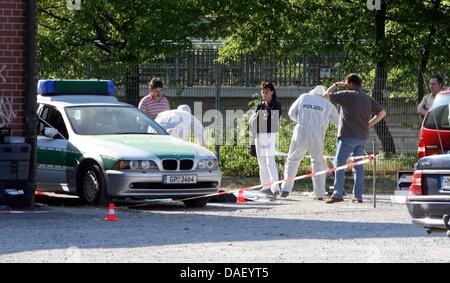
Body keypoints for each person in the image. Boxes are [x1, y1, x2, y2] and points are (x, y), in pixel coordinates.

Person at [322, 74, 386, 204]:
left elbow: (326, 96)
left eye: (346, 83)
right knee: (358, 167)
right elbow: (382, 113)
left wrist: (335, 85)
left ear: (350, 84)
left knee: (339, 164)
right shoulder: (368, 98)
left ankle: (338, 194)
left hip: (347, 136)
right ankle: (358, 196)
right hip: (362, 137)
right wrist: (369, 124)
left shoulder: (347, 94)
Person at [281, 86, 339, 200]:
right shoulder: (327, 104)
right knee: (318, 163)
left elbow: (291, 113)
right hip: (317, 133)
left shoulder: (304, 97)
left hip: (301, 131)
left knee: (293, 160)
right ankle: (319, 194)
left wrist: (302, 121)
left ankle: (285, 189)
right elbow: (338, 121)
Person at [249, 82, 283, 197]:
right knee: (261, 162)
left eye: (266, 92)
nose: (264, 94)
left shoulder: (276, 104)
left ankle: (275, 188)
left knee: (270, 161)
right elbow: (254, 121)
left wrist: (265, 114)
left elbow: (273, 119)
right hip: (259, 135)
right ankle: (265, 186)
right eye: (263, 92)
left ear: (272, 92)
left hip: (269, 135)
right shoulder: (259, 105)